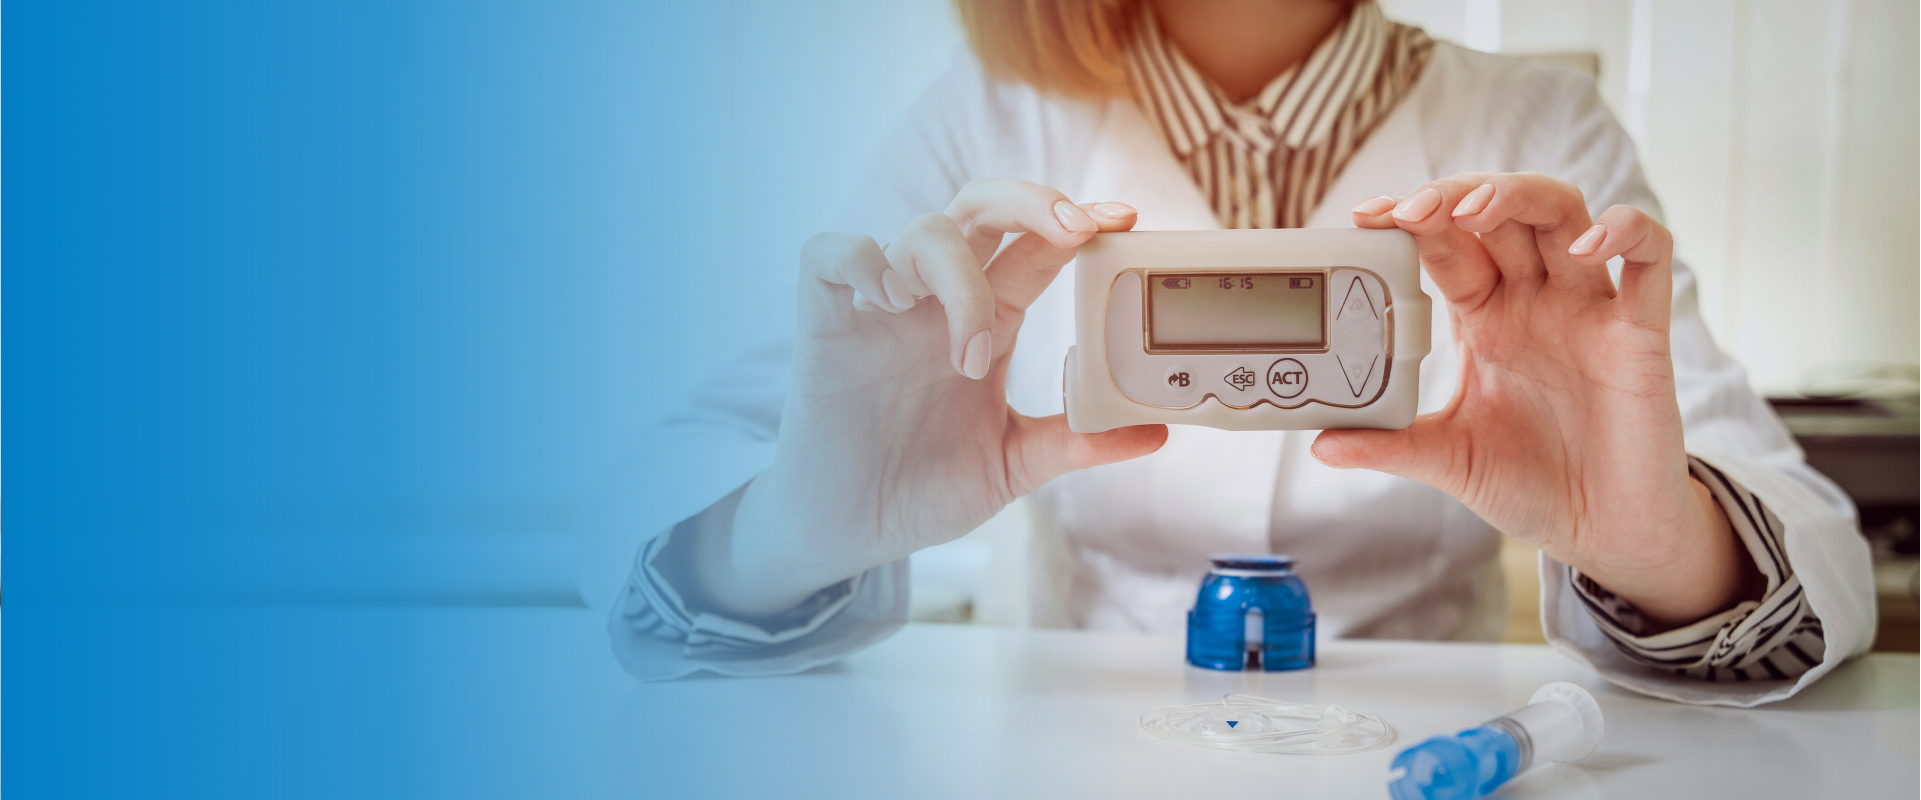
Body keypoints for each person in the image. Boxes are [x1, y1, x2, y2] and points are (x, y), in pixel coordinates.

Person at [578, 0, 1874, 707]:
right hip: (1076, 750)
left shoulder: (1539, 127)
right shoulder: (980, 116)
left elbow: (1807, 542)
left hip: (1425, 743)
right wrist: (796, 523)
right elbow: (647, 503)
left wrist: (1650, 536)